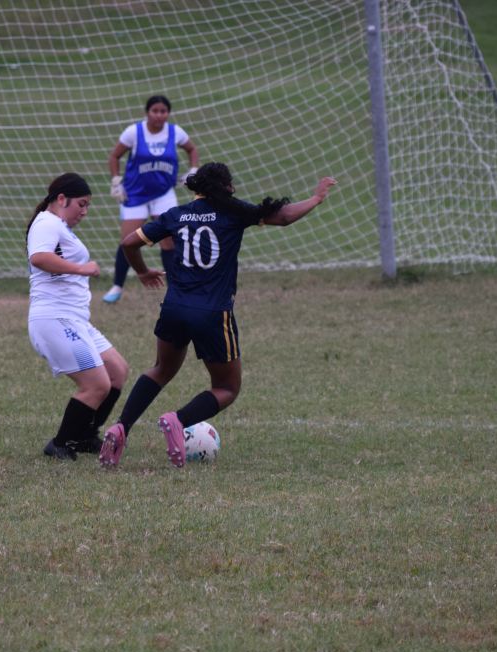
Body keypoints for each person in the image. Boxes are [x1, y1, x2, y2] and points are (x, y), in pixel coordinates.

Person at [98, 163, 337, 468]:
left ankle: (121, 426)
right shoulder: (232, 212)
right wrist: (316, 198)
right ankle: (177, 420)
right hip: (212, 313)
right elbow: (284, 216)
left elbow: (129, 242)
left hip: (174, 308)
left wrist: (143, 272)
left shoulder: (176, 214)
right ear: (226, 187)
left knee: (161, 369)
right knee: (227, 388)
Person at [27, 173, 129, 460]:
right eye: (81, 204)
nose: (84, 212)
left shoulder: (59, 226)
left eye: (87, 206)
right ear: (62, 199)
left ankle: (85, 435)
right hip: (54, 319)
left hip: (75, 320)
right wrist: (81, 268)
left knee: (117, 371)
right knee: (97, 384)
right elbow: (39, 257)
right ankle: (60, 444)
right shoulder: (46, 223)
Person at [103, 95, 199, 304]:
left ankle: (175, 288)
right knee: (128, 240)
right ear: (147, 112)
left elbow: (192, 149)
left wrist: (193, 169)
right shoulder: (133, 132)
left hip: (164, 194)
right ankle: (117, 286)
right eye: (155, 111)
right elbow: (114, 156)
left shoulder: (175, 132)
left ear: (168, 113)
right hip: (135, 195)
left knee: (169, 239)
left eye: (163, 111)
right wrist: (116, 181)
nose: (159, 115)